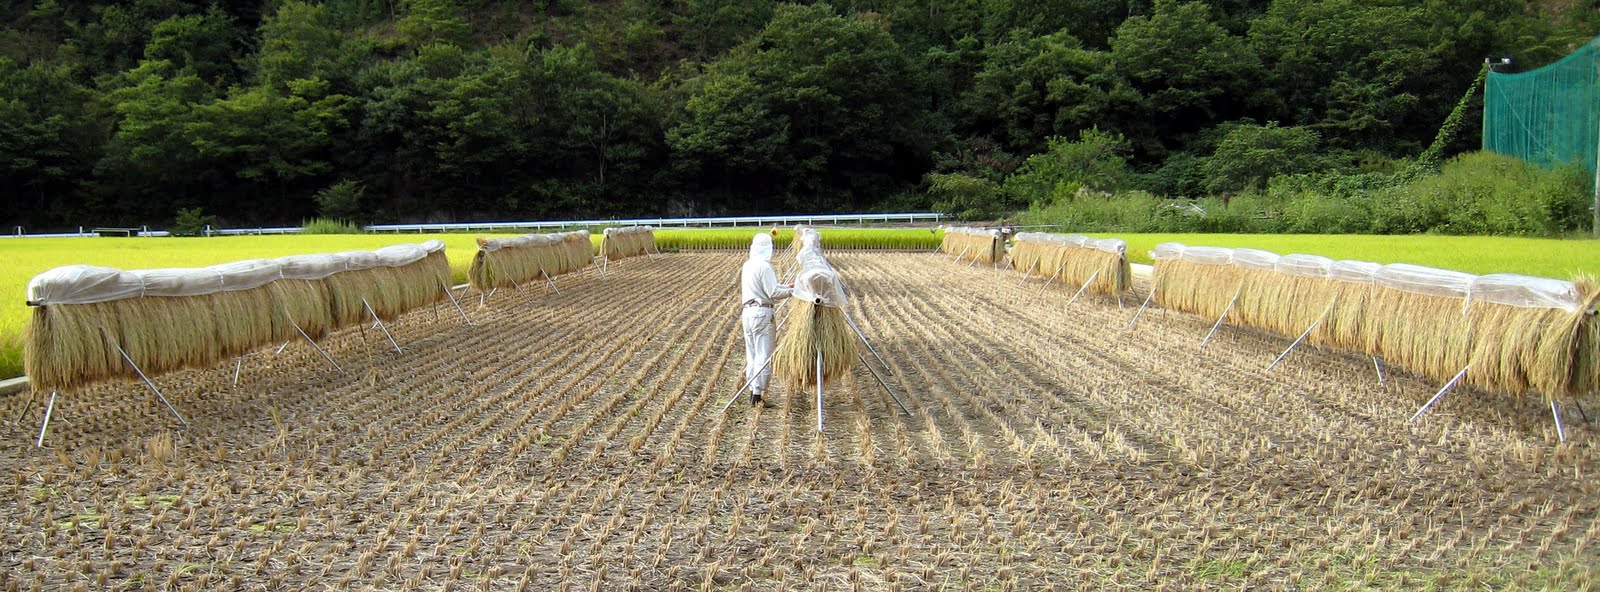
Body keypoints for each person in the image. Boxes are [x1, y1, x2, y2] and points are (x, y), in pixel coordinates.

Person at [741, 233, 791, 408]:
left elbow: (767, 288)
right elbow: (773, 292)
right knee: (763, 354)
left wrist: (787, 286)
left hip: (747, 312)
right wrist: (794, 291)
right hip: (762, 313)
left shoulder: (748, 265)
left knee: (752, 354)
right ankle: (757, 395)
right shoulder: (764, 267)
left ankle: (752, 391)